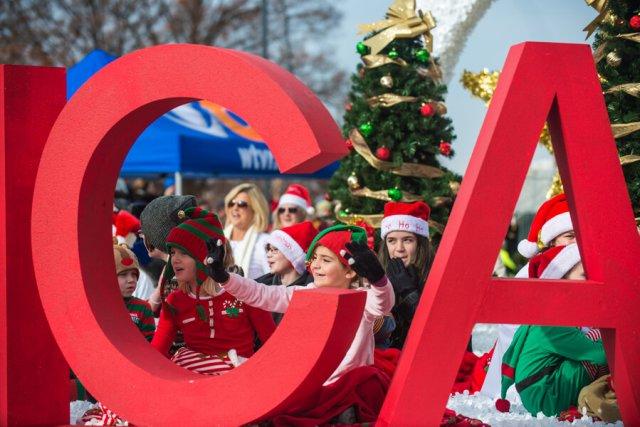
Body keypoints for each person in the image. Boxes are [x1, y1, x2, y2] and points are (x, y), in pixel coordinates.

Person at [206, 224, 394, 424]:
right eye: (314, 258)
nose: (316, 265)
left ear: (350, 272)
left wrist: (379, 280)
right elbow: (262, 294)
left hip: (347, 386)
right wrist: (224, 278)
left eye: (326, 260)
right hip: (311, 385)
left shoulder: (362, 299)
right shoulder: (305, 294)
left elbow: (384, 302)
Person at [151, 207, 276, 375]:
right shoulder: (175, 300)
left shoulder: (245, 291)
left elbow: (274, 345)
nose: (175, 259)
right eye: (172, 253)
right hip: (195, 385)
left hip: (240, 382)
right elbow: (155, 356)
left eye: (184, 253)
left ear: (204, 256)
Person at [495, 244, 608, 417]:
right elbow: (599, 354)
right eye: (585, 275)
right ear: (561, 280)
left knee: (598, 337)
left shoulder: (556, 314)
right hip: (546, 396)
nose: (592, 281)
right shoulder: (552, 323)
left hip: (543, 386)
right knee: (602, 339)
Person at [482, 193, 577, 398]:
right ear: (552, 241)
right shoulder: (532, 273)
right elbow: (513, 332)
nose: (576, 244)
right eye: (570, 236)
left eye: (580, 235)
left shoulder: (584, 269)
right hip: (530, 373)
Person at [377, 201, 432, 349]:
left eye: (407, 240)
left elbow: (433, 333)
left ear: (420, 244)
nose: (399, 248)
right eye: (392, 241)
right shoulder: (378, 278)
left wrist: (409, 293)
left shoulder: (436, 277)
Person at [140, 195, 197, 313]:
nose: (142, 237)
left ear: (157, 238)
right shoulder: (172, 268)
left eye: (143, 233)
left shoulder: (180, 274)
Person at [255, 221, 318, 324]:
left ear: (292, 255)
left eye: (275, 249)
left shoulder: (311, 288)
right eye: (268, 249)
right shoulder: (261, 283)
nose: (269, 255)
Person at [223, 183, 270, 279]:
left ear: (255, 210)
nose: (235, 208)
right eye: (232, 203)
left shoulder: (265, 242)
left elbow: (274, 281)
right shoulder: (217, 239)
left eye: (242, 204)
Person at [114, 245, 156, 342]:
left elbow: (150, 344)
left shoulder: (143, 308)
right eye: (123, 275)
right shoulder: (99, 308)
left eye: (134, 274)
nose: (131, 280)